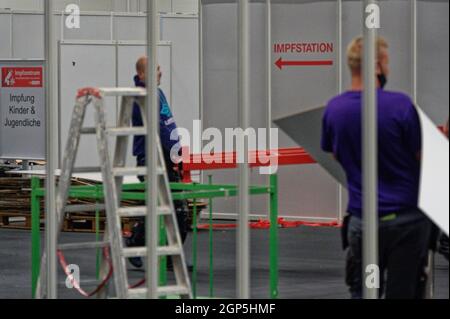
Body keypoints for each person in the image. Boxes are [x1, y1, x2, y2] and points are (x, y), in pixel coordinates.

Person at [321, 36, 432, 299]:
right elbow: (421, 157)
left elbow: (335, 155)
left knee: (364, 290)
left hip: (363, 220)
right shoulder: (401, 105)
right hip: (406, 221)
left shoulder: (334, 110)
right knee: (404, 291)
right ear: (378, 66)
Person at [125, 56, 189, 269]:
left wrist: (176, 152)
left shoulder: (157, 94)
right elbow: (160, 130)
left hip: (165, 157)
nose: (160, 72)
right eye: (155, 69)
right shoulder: (143, 97)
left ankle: (169, 256)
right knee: (166, 206)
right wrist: (174, 152)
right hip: (152, 159)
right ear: (142, 74)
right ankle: (135, 241)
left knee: (173, 207)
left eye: (160, 68)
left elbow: (168, 126)